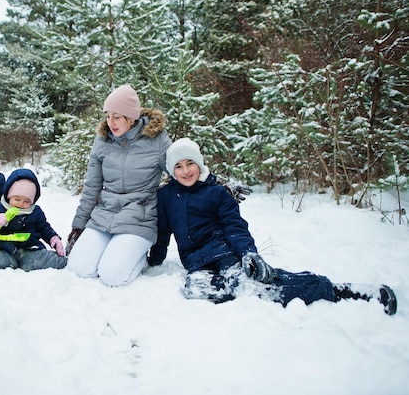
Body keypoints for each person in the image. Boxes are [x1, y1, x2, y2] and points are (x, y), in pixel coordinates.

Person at [148, 138, 397, 315]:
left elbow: (235, 226)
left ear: (200, 165)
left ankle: (335, 290)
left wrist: (248, 253)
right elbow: (163, 233)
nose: (185, 170)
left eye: (189, 163)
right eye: (178, 166)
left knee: (254, 284)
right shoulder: (167, 196)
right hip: (196, 262)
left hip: (225, 254)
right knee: (194, 289)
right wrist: (154, 260)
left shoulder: (216, 193)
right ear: (171, 170)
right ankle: (249, 286)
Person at [65, 84, 172, 286]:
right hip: (105, 213)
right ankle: (115, 251)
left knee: (112, 275)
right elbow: (92, 187)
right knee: (78, 268)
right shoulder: (103, 140)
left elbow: (181, 166)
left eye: (117, 116)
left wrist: (213, 182)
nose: (110, 122)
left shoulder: (156, 139)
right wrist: (77, 227)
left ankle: (138, 260)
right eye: (107, 115)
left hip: (139, 216)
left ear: (131, 117)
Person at [0, 168, 67, 271]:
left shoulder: (35, 212)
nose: (20, 204)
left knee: (38, 260)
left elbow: (44, 227)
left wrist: (53, 237)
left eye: (26, 201)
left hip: (29, 249)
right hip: (4, 249)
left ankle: (65, 262)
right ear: (8, 196)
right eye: (17, 199)